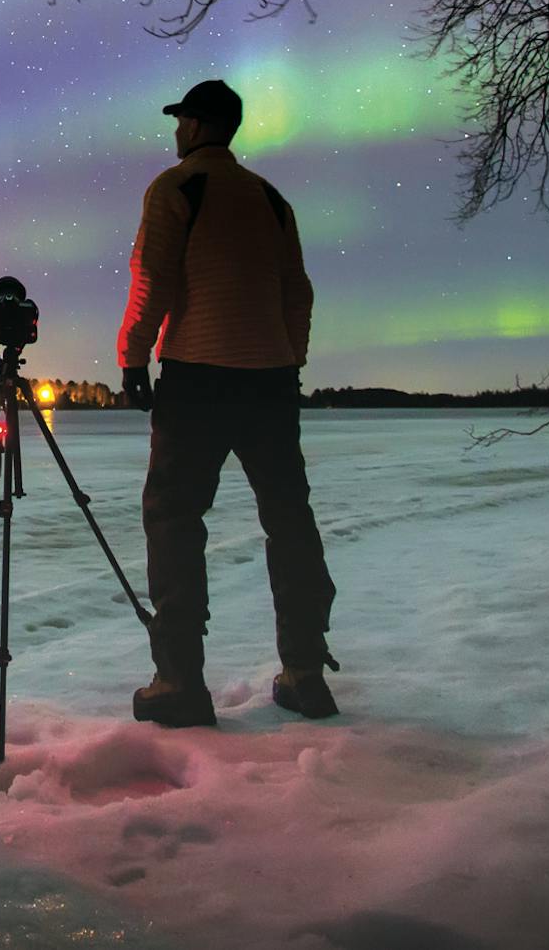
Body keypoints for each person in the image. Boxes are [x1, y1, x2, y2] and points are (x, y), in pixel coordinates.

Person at [117, 79, 339, 727]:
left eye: (181, 118)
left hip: (198, 378)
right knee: (289, 519)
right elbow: (297, 291)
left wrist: (133, 359)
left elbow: (152, 277)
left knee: (174, 518)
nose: (175, 129)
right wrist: (286, 357)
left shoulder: (174, 188)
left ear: (196, 125)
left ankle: (180, 680)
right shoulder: (270, 199)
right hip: (268, 380)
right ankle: (304, 671)